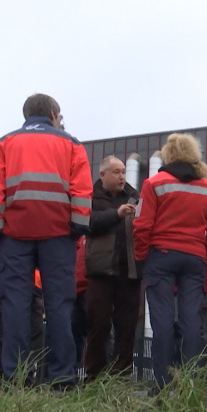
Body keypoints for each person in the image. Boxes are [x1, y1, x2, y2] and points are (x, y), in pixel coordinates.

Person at [0, 94, 92, 388]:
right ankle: (62, 377)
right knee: (60, 305)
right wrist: (78, 226)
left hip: (15, 235)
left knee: (16, 304)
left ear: (26, 114)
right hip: (58, 234)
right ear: (54, 114)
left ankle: (15, 377)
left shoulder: (4, 143)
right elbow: (82, 189)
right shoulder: (71, 144)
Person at [133, 133, 207, 388]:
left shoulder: (154, 184)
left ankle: (162, 384)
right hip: (195, 259)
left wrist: (142, 257)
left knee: (161, 322)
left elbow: (141, 226)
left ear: (168, 154)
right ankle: (191, 383)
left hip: (161, 256)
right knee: (191, 320)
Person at [83, 155, 141, 381]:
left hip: (130, 271)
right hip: (100, 271)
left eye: (124, 171)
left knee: (127, 326)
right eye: (116, 172)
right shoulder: (90, 197)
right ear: (102, 175)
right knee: (99, 324)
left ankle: (122, 376)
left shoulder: (135, 197)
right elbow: (87, 223)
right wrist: (116, 214)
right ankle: (94, 376)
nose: (122, 176)